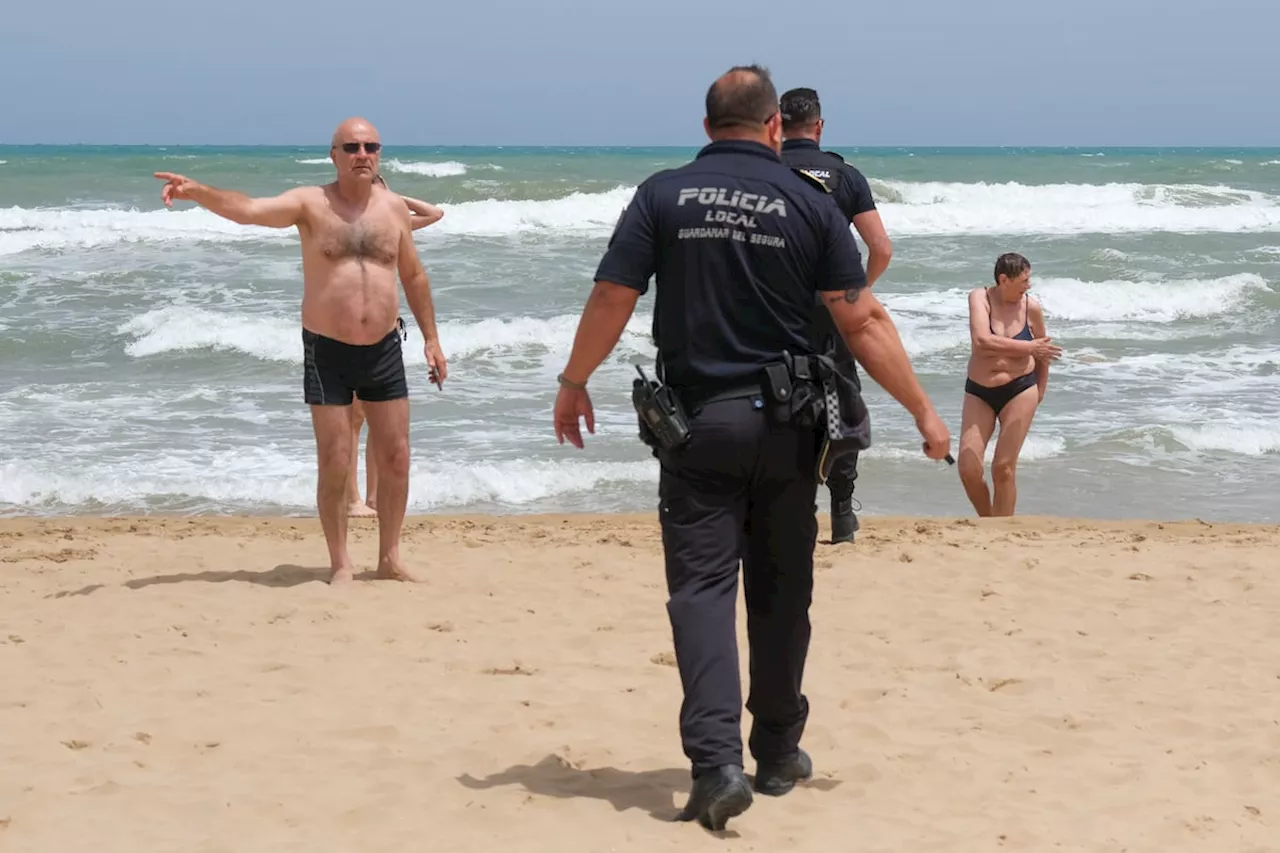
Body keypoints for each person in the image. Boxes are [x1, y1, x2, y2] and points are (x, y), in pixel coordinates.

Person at [552, 65, 950, 831]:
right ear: (776, 127)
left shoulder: (663, 194)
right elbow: (862, 321)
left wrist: (575, 380)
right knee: (781, 589)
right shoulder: (811, 199)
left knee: (701, 590)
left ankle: (715, 765)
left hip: (699, 426)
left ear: (706, 127)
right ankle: (775, 752)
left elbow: (612, 295)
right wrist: (925, 411)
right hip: (791, 427)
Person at [153, 117, 448, 584]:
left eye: (370, 146)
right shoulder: (311, 203)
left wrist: (431, 339)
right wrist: (199, 191)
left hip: (385, 349)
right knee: (334, 460)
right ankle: (341, 563)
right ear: (333, 154)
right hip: (327, 350)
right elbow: (248, 209)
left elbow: (413, 276)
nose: (362, 154)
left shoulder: (393, 209)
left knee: (396, 457)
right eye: (351, 146)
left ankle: (389, 557)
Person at [778, 86, 894, 544]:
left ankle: (792, 509)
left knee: (779, 402)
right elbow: (881, 247)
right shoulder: (845, 175)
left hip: (774, 311)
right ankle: (842, 513)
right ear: (819, 126)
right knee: (840, 398)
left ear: (776, 125)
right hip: (832, 309)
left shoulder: (760, 174)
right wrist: (857, 292)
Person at [346, 175, 445, 519]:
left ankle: (373, 498)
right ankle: (351, 499)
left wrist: (395, 198)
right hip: (350, 330)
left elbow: (435, 213)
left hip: (386, 331)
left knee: (378, 418)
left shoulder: (393, 223)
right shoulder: (351, 226)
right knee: (353, 418)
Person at [957, 253, 1061, 517]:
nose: (1029, 285)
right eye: (1024, 280)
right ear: (1004, 280)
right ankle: (988, 519)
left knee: (1003, 468)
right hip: (979, 391)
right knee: (968, 468)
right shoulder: (979, 298)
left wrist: (1040, 390)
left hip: (1020, 389)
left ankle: (1000, 530)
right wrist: (1029, 347)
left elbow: (1043, 352)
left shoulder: (1032, 307)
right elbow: (982, 340)